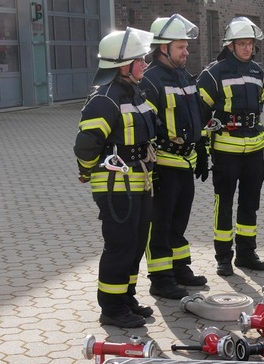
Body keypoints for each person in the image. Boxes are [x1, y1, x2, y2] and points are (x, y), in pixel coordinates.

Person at [73, 27, 157, 328]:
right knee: (120, 246)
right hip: (116, 187)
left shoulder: (134, 93)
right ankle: (111, 308)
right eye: (141, 60)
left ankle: (126, 298)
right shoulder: (104, 99)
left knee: (135, 244)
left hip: (138, 183)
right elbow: (86, 146)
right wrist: (88, 171)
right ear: (124, 66)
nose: (145, 64)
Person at [139, 14, 207, 300]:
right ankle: (161, 278)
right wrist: (150, 166)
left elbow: (195, 116)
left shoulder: (184, 76)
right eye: (181, 47)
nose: (186, 52)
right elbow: (145, 126)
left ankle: (180, 268)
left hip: (185, 161)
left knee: (179, 221)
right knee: (161, 222)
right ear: (163, 48)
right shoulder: (150, 81)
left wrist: (201, 147)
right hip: (164, 165)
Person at [196, 17, 264, 277]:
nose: (247, 48)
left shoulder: (257, 72)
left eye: (250, 43)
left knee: (250, 203)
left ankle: (247, 254)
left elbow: (259, 105)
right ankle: (224, 257)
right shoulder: (213, 73)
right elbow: (200, 113)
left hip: (254, 149)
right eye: (242, 44)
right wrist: (202, 152)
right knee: (224, 203)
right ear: (230, 45)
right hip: (226, 150)